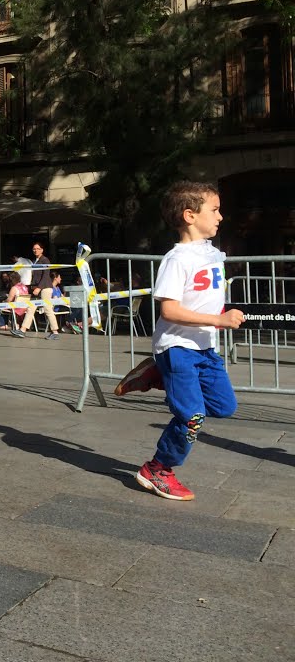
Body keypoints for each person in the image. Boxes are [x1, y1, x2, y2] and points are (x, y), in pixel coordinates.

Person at [120, 181, 245, 501]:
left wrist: (223, 314)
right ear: (190, 215)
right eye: (214, 210)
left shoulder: (212, 252)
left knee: (224, 406)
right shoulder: (176, 259)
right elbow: (170, 309)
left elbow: (206, 295)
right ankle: (158, 469)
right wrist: (220, 319)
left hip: (205, 347)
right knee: (192, 416)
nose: (221, 216)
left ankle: (158, 374)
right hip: (177, 346)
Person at [13, 241, 60, 340]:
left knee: (47, 308)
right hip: (36, 288)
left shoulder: (45, 260)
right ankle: (22, 330)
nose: (35, 250)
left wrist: (39, 287)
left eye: (38, 248)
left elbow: (46, 275)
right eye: (34, 249)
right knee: (31, 308)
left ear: (42, 250)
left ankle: (55, 331)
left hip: (45, 287)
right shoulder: (35, 261)